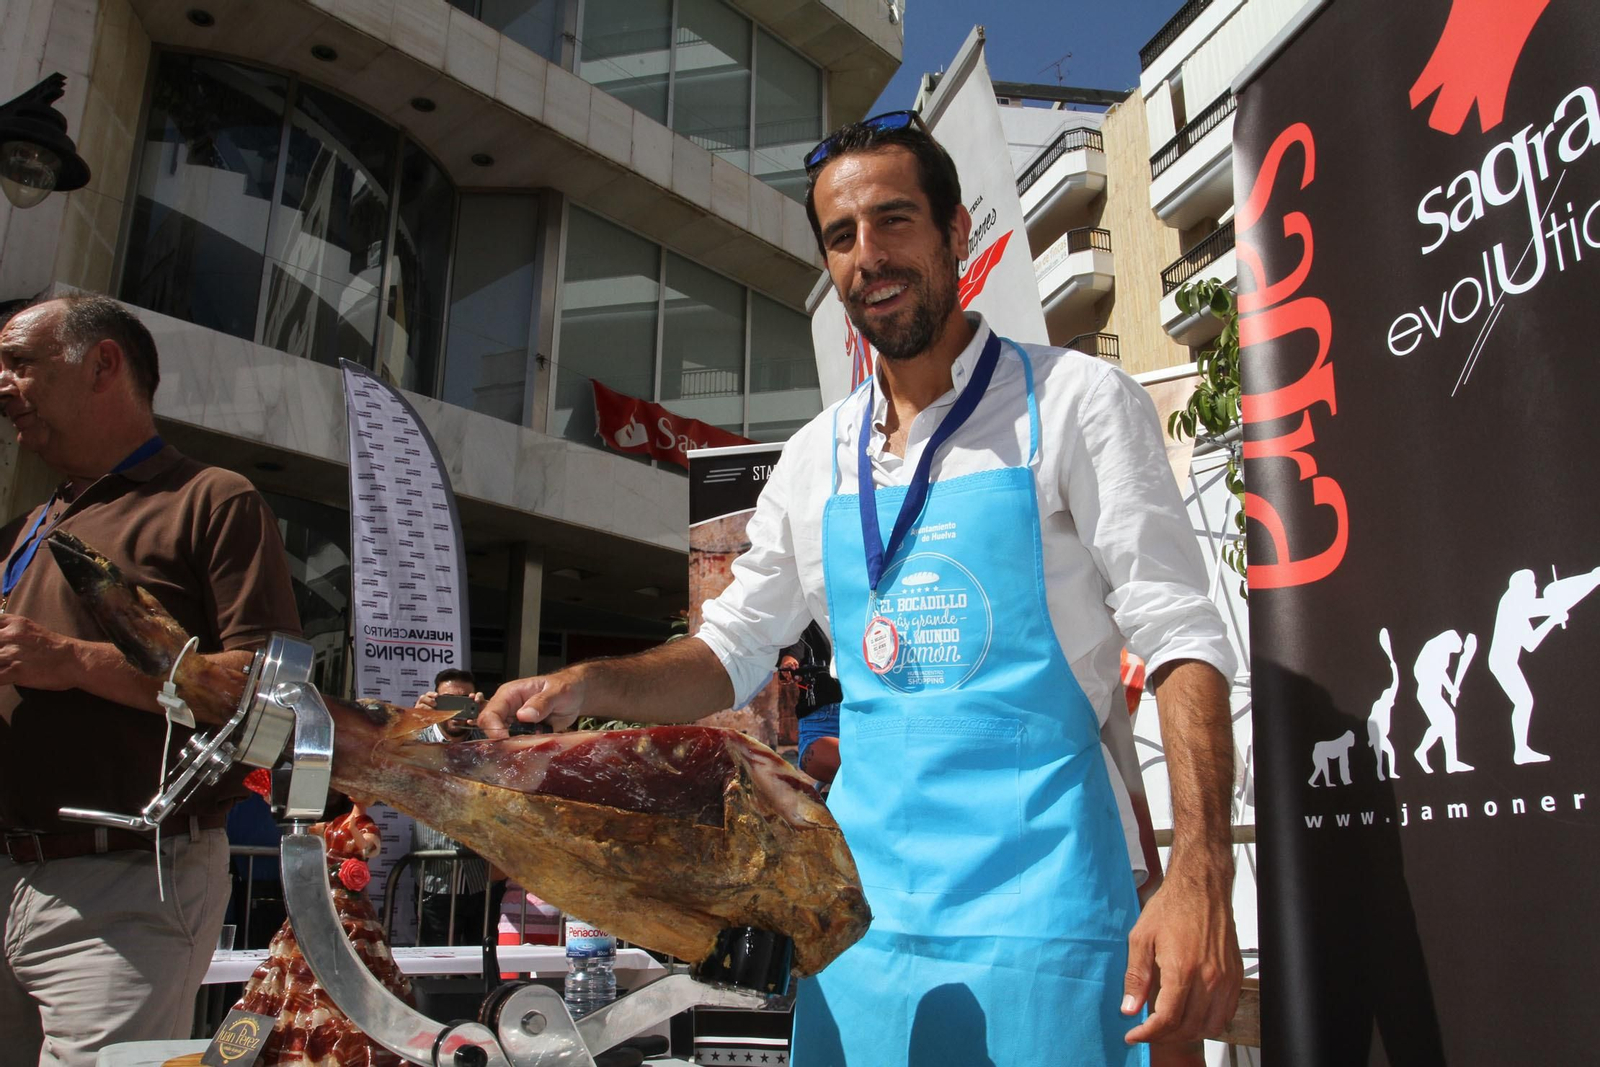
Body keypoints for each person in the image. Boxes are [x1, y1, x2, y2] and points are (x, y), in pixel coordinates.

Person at [478, 113, 1240, 1065]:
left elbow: (1182, 637)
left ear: (959, 233)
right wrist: (587, 685)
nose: (869, 256)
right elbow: (733, 647)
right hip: (860, 925)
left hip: (1047, 911)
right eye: (842, 236)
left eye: (894, 221)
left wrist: (1203, 871)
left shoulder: (1080, 402)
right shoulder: (814, 457)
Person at [0, 295, 301, 1066]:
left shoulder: (211, 500)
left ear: (104, 363)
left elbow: (266, 694)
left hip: (128, 886)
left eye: (20, 363)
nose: (3, 384)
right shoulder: (31, 524)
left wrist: (70, 661)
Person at [413, 668, 506, 945]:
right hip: (435, 879)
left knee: (484, 960)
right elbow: (381, 755)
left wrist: (493, 720)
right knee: (436, 965)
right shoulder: (416, 740)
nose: (456, 710)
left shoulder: (486, 742)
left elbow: (516, 766)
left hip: (483, 879)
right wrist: (414, 719)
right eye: (447, 701)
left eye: (464, 701)